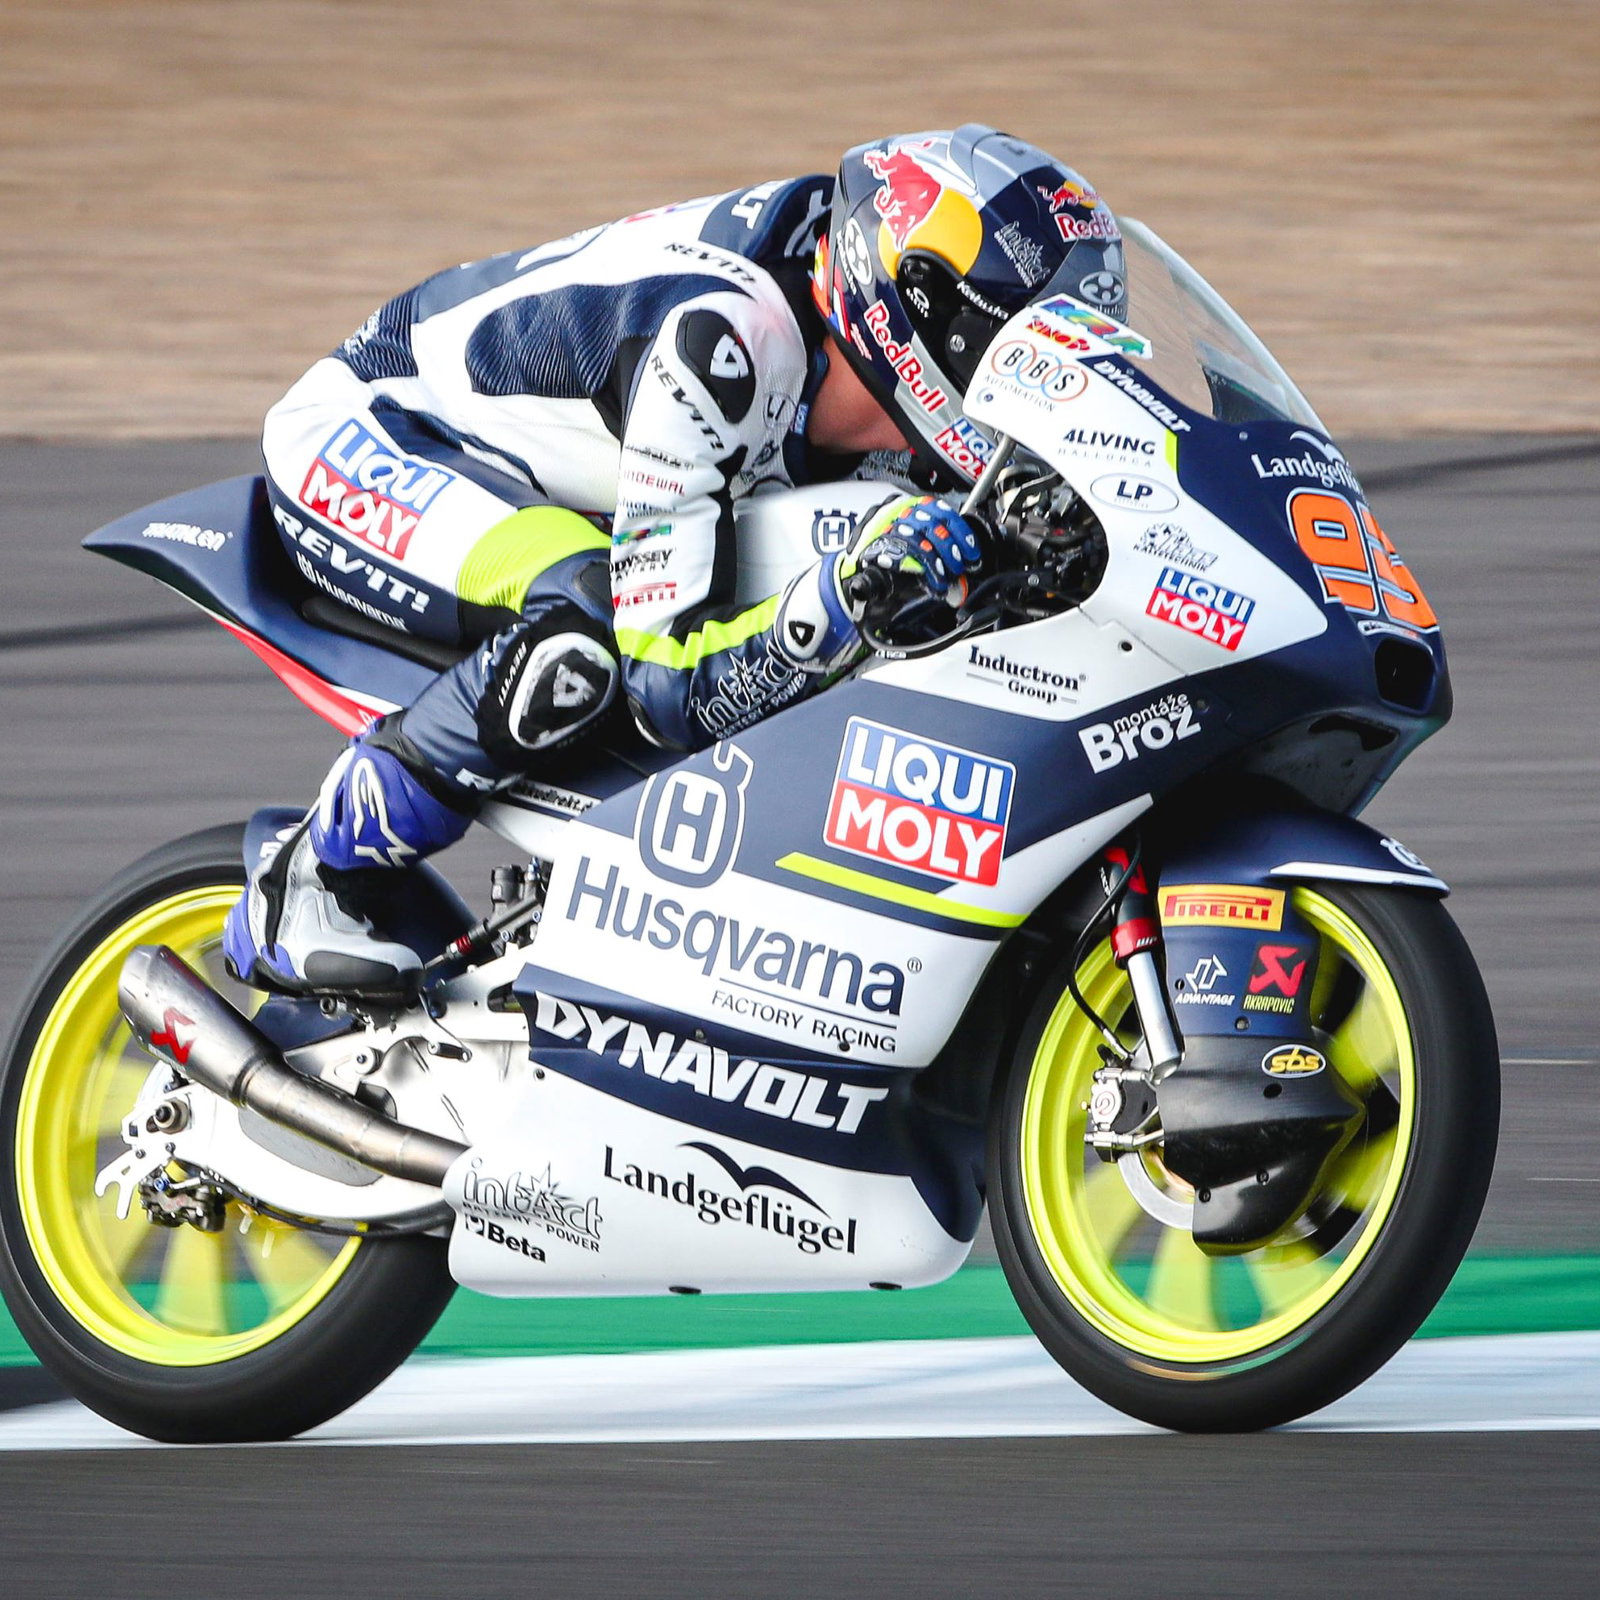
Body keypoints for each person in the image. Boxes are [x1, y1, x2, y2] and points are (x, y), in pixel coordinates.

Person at [224, 123, 1127, 994]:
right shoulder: (726, 343)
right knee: (583, 630)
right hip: (378, 434)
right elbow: (667, 683)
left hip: (572, 469)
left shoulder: (876, 357)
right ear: (933, 326)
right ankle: (308, 874)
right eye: (1034, 346)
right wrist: (844, 600)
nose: (1050, 377)